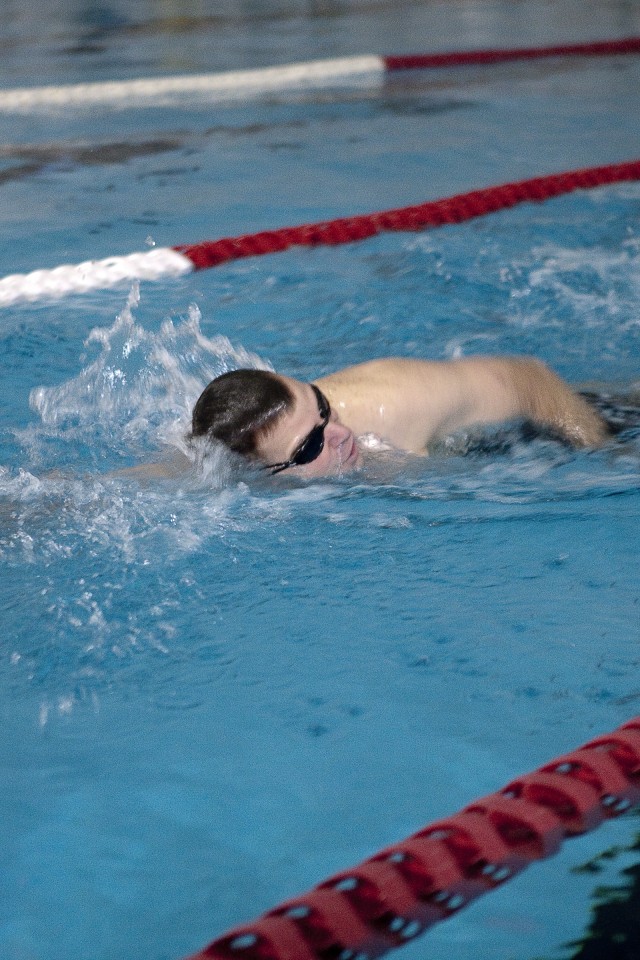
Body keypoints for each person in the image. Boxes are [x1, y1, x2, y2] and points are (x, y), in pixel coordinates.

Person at [190, 355, 610, 478]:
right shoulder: (235, 460)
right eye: (312, 446)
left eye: (321, 405)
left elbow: (529, 379)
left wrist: (603, 450)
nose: (338, 431)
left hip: (547, 428)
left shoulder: (401, 403)